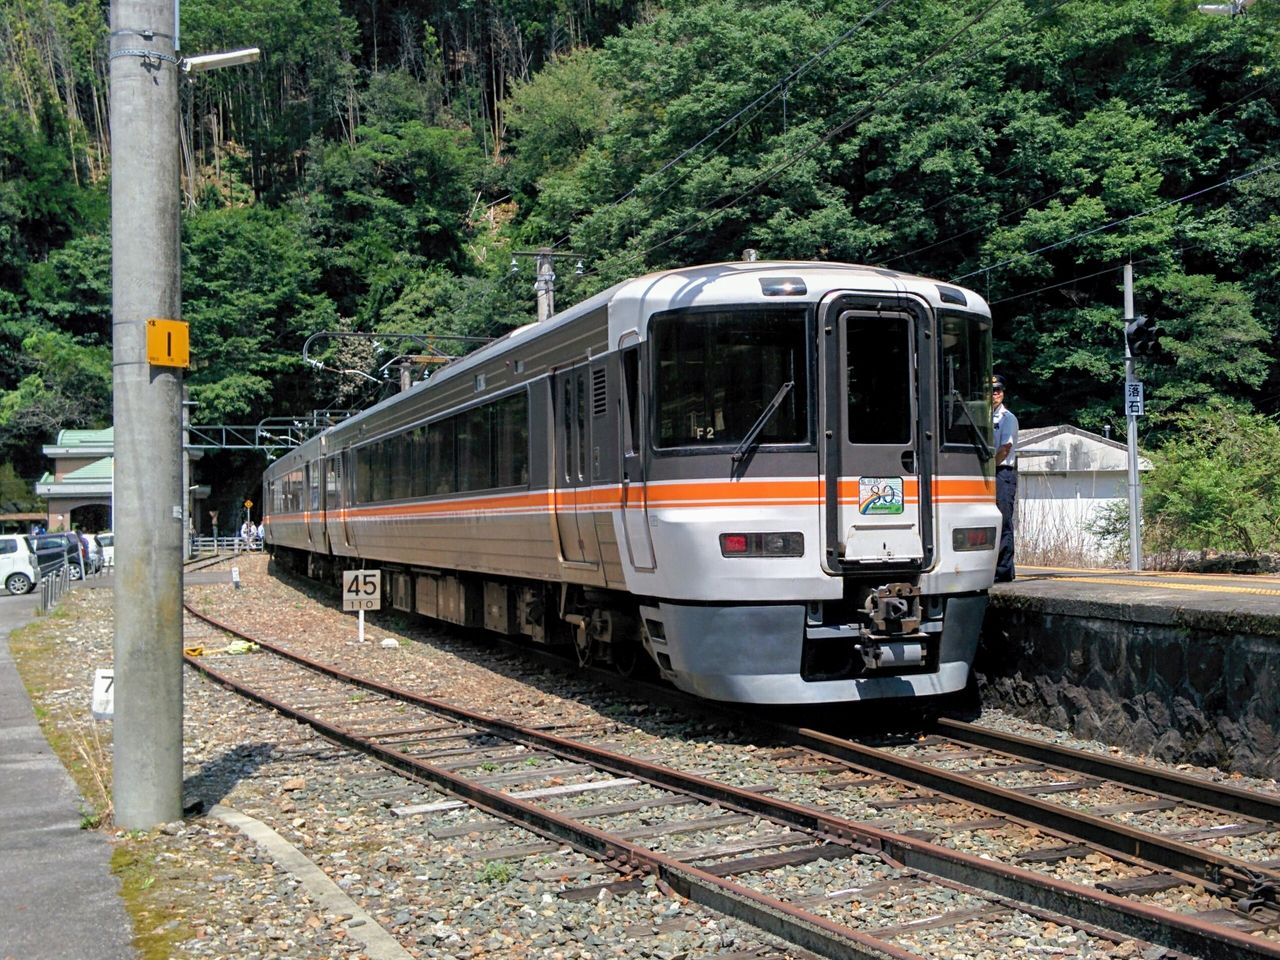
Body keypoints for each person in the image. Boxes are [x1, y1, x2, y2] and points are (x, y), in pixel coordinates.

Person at [991, 375, 1019, 582]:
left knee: (1003, 520)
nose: (995, 394)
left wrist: (988, 468)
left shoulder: (1007, 418)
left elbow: (1004, 449)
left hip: (1002, 472)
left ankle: (1004, 570)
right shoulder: (985, 417)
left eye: (998, 390)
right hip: (989, 472)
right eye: (992, 390)